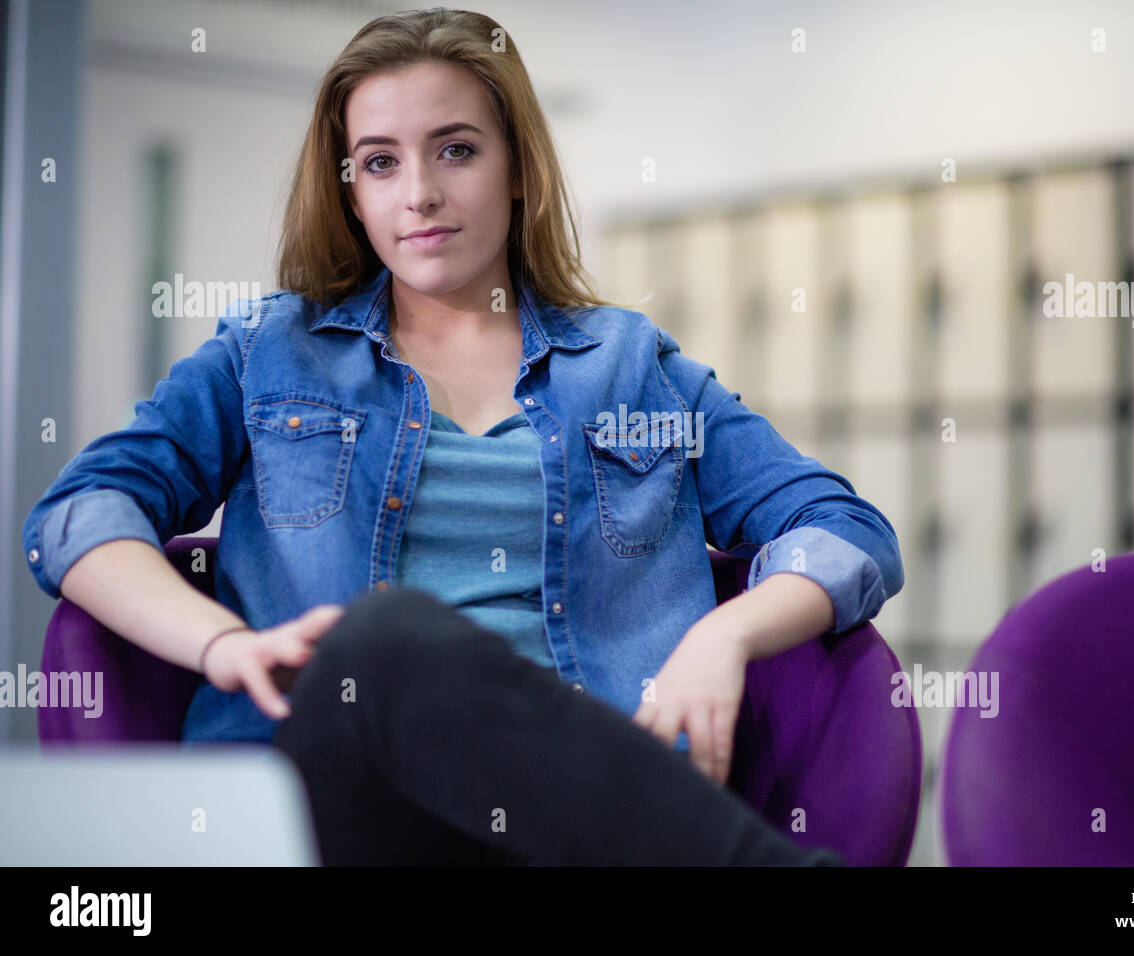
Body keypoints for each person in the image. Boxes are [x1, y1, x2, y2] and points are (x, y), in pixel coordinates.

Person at [22, 8, 903, 866]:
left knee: (394, 641)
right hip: (325, 804)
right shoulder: (271, 352)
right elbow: (79, 516)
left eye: (456, 149)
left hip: (582, 819)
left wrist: (726, 635)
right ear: (351, 190)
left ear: (517, 167)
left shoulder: (632, 365)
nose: (420, 194)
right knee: (383, 640)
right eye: (379, 162)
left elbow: (846, 531)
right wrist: (222, 644)